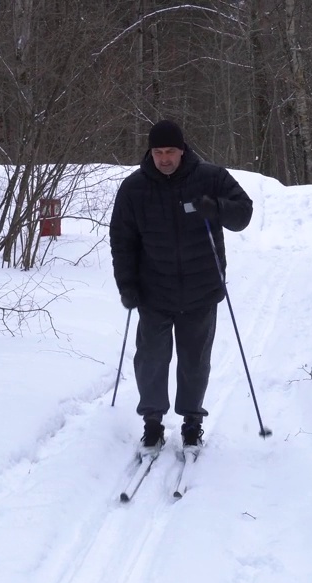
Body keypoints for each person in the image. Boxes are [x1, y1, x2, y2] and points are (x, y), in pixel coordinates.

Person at [108, 119, 254, 452]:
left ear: (182, 149)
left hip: (201, 290)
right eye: (158, 152)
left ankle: (192, 422)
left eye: (170, 151)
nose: (164, 159)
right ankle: (152, 422)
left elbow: (243, 213)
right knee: (151, 360)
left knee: (194, 361)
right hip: (153, 291)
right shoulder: (134, 188)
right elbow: (122, 239)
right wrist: (126, 285)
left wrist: (215, 208)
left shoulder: (210, 177)